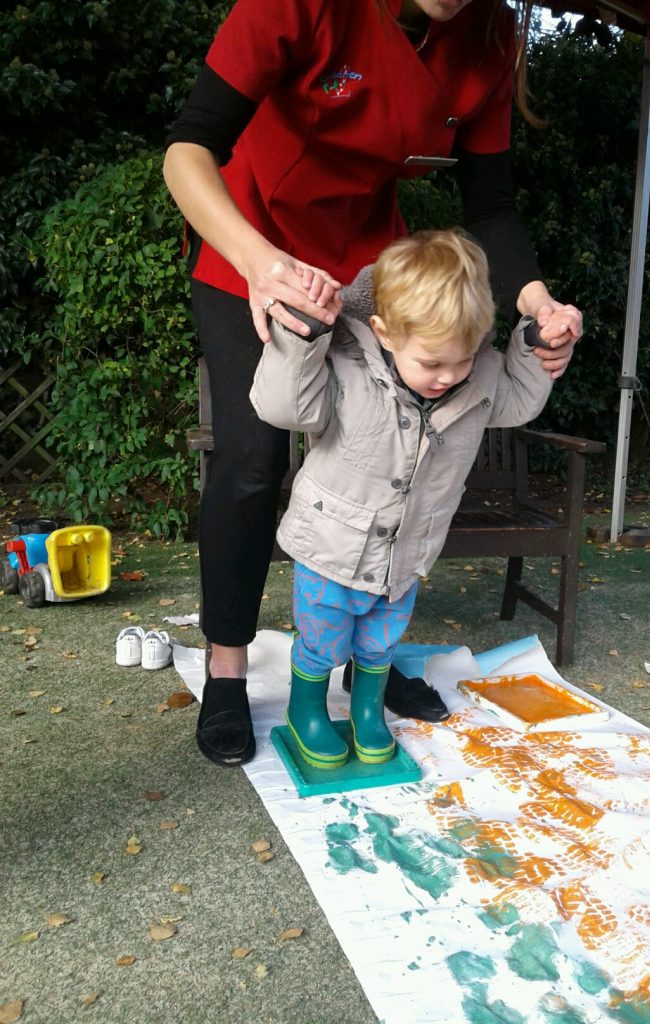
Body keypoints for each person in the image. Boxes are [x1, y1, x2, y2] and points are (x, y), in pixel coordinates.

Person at [163, 0, 583, 768]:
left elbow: (490, 204)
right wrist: (261, 264)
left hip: (368, 263)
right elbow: (187, 149)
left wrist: (536, 303)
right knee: (254, 456)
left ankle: (369, 668)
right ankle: (227, 666)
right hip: (248, 241)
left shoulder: (489, 35)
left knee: (412, 438)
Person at [250, 229, 553, 767]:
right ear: (385, 333)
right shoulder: (345, 361)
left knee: (380, 642)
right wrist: (303, 337)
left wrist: (534, 345)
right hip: (329, 546)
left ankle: (368, 711)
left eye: (463, 359)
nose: (448, 376)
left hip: (406, 552)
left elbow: (519, 402)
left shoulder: (478, 374)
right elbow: (284, 408)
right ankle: (306, 711)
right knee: (322, 639)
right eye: (432, 363)